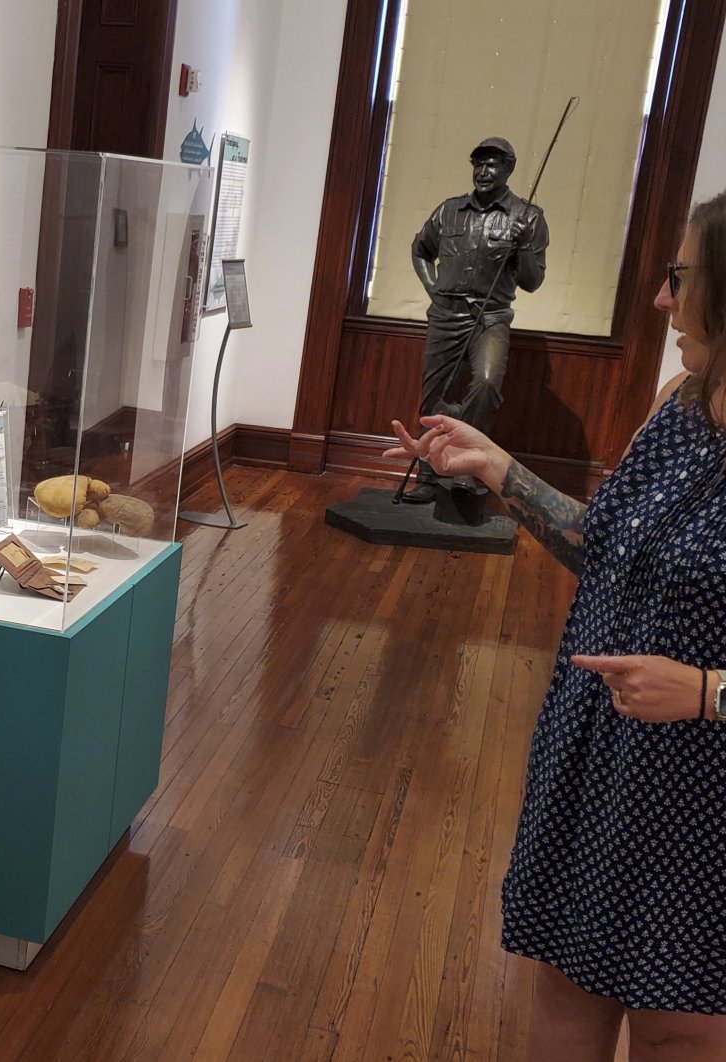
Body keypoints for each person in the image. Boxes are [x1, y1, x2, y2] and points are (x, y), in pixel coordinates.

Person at [385, 189, 726, 1058]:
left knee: (676, 1030)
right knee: (566, 992)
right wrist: (496, 466)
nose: (661, 298)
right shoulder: (677, 403)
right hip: (596, 759)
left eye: (681, 277)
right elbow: (599, 547)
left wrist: (712, 693)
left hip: (703, 798)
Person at [404, 137, 549, 504]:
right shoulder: (448, 211)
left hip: (491, 318)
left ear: (508, 170)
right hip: (446, 316)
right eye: (479, 164)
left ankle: (468, 471)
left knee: (485, 384)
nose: (484, 172)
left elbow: (532, 282)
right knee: (435, 396)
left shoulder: (528, 217)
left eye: (493, 165)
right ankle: (428, 475)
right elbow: (420, 249)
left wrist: (525, 246)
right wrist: (433, 287)